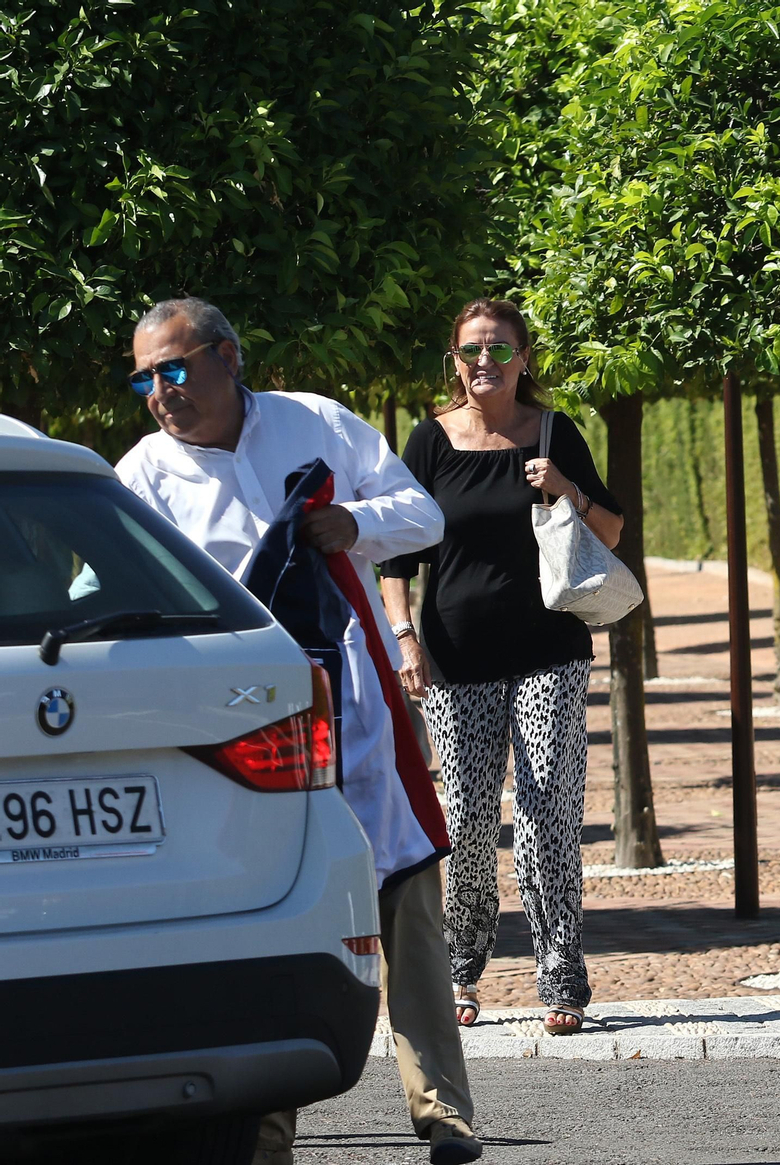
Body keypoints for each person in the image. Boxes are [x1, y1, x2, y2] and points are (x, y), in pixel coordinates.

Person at [114, 298, 481, 1165]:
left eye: (173, 369)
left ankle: (443, 1109)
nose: (160, 393)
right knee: (270, 924)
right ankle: (268, 1130)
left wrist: (355, 524)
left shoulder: (315, 420)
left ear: (228, 357)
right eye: (144, 379)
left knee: (407, 908)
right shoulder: (140, 477)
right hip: (239, 736)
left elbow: (422, 515)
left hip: (355, 706)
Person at [379, 299, 622, 1037]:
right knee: (471, 820)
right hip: (456, 657)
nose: (485, 361)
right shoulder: (427, 441)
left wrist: (566, 489)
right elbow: (396, 554)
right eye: (471, 350)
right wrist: (404, 635)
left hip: (549, 652)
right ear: (453, 360)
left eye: (500, 349)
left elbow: (611, 528)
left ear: (524, 358)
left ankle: (562, 975)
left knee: (551, 809)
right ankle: (462, 966)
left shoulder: (552, 432)